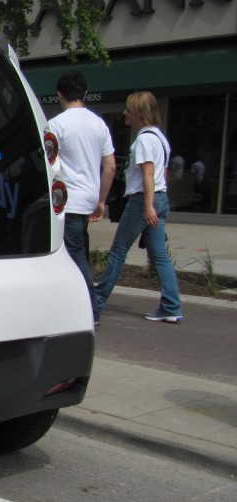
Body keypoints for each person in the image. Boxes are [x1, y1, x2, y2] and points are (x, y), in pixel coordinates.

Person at [94, 91, 182, 324]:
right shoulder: (161, 139)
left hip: (143, 201)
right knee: (160, 256)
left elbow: (148, 173)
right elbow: (161, 174)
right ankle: (171, 306)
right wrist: (157, 204)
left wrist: (148, 205)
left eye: (128, 110)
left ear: (139, 113)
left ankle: (96, 304)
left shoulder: (143, 140)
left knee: (118, 251)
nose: (125, 113)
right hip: (160, 199)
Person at [47, 72, 116, 326]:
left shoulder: (56, 125)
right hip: (88, 199)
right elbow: (110, 167)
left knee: (74, 256)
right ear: (84, 94)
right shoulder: (100, 125)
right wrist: (101, 201)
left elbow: (49, 163)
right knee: (80, 253)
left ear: (59, 95)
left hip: (67, 200)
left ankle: (90, 310)